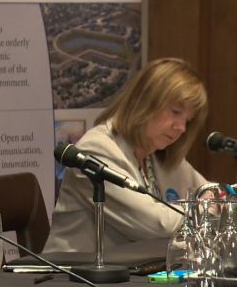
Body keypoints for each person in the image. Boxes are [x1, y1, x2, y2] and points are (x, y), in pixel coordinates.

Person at [45, 57, 209, 252]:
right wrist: (205, 209)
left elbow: (212, 192)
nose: (181, 128)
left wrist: (214, 201)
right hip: (70, 275)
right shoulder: (96, 150)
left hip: (129, 273)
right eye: (175, 112)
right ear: (145, 102)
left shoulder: (157, 154)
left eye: (187, 121)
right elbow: (156, 226)